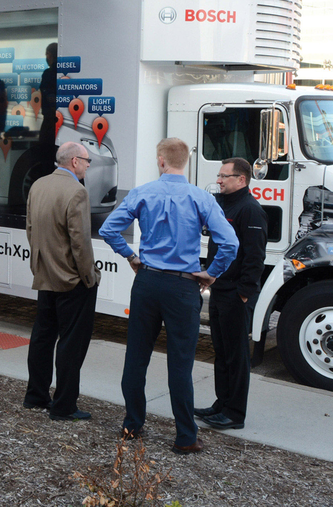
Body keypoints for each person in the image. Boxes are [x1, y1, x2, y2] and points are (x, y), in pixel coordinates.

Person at [99, 138, 238, 454]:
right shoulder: (201, 198)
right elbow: (230, 244)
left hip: (147, 281)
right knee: (180, 363)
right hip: (183, 287)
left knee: (136, 357)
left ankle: (132, 425)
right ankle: (185, 437)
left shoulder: (143, 192)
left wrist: (131, 257)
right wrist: (212, 272)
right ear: (184, 162)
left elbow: (109, 229)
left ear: (161, 160)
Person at [23, 142, 101, 421]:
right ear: (75, 162)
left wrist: (41, 264)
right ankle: (64, 405)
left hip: (44, 276)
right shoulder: (77, 192)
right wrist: (89, 277)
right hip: (71, 281)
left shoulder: (38, 185)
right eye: (88, 160)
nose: (89, 165)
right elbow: (80, 243)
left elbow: (30, 229)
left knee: (42, 337)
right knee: (71, 343)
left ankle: (35, 396)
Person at [195, 157, 267, 431]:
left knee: (236, 356)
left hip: (236, 295)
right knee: (221, 351)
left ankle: (235, 413)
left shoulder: (250, 210)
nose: (220, 180)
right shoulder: (223, 204)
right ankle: (221, 404)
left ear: (242, 180)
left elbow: (255, 257)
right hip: (220, 290)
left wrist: (244, 294)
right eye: (219, 175)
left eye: (225, 176)